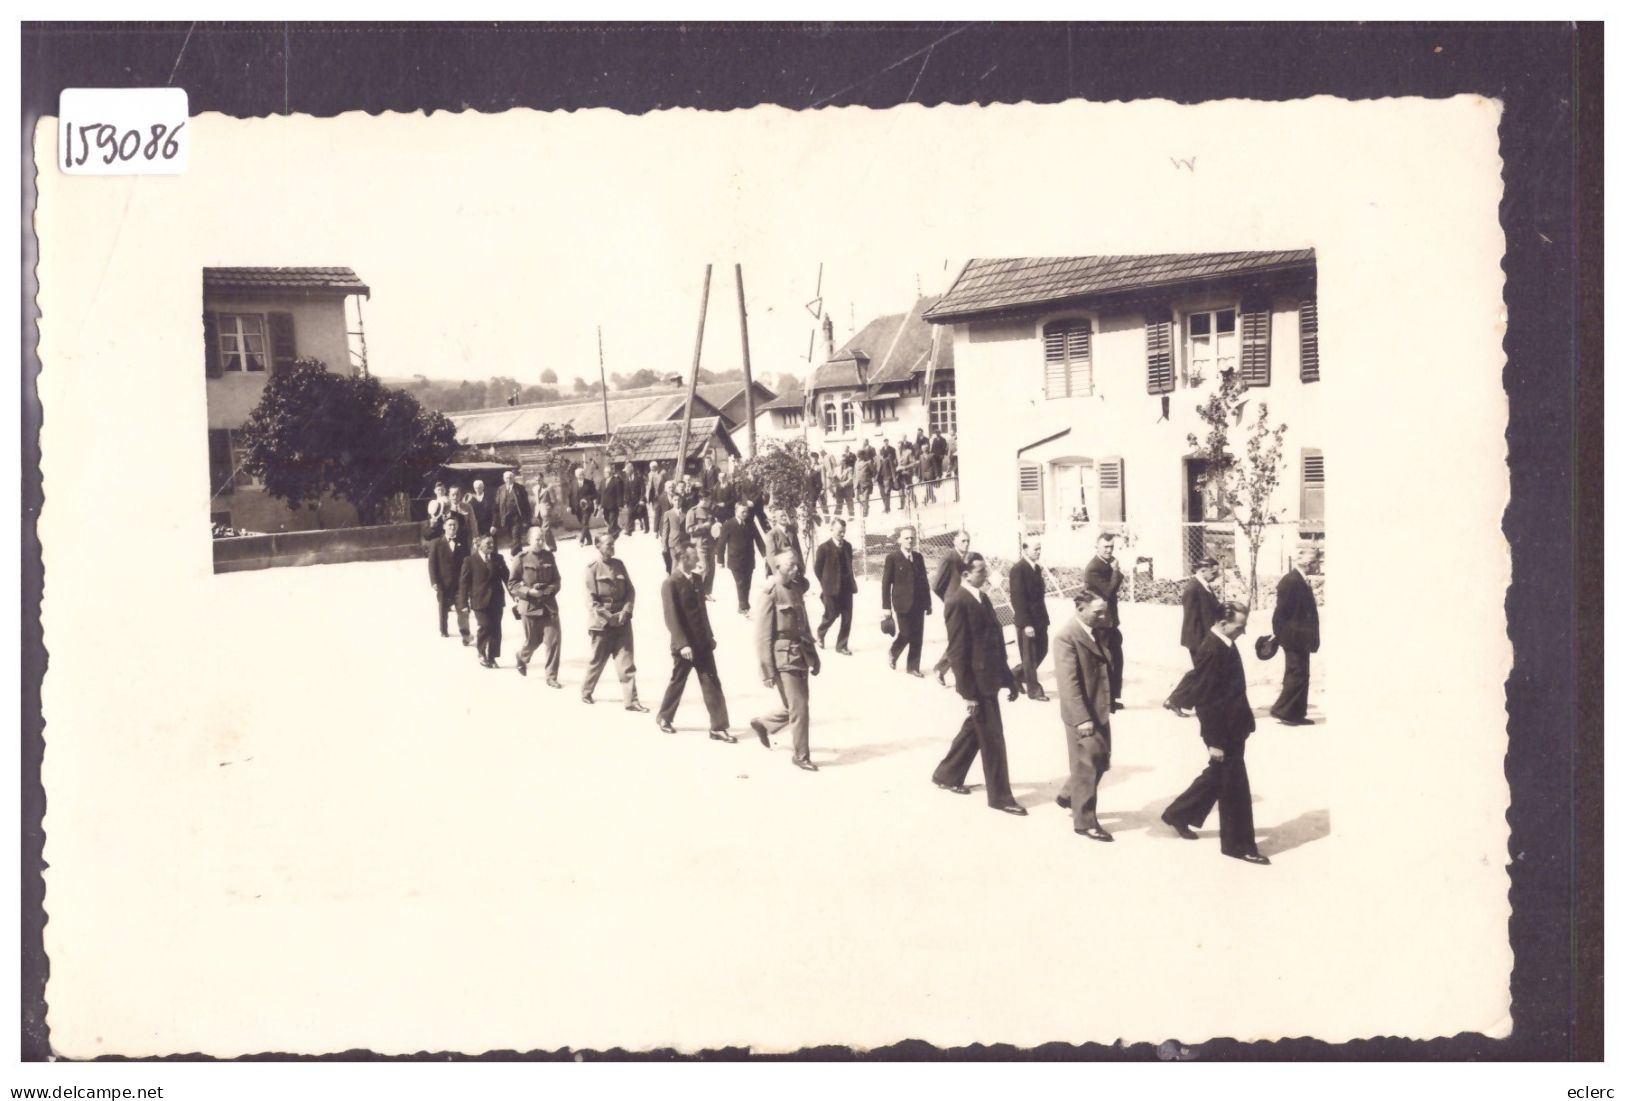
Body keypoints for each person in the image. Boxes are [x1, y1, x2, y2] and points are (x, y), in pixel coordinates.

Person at [1161, 602, 1270, 865]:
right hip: (1223, 732)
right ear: (1223, 623)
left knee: (1219, 775)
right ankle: (1237, 845)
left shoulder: (1222, 643)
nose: (1242, 632)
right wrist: (1215, 742)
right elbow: (1207, 701)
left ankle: (1179, 813)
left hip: (1234, 725)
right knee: (1235, 789)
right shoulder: (1212, 649)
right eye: (1239, 627)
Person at [931, 553, 1025, 815]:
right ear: (966, 574)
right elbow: (958, 653)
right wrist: (968, 694)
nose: (986, 574)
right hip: (978, 685)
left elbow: (994, 642)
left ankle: (947, 774)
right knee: (993, 739)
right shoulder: (957, 601)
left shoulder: (981, 597)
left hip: (990, 678)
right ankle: (1001, 797)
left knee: (976, 729)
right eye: (981, 571)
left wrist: (1009, 680)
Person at [748, 549, 822, 771]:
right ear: (777, 567)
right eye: (790, 565)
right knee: (799, 707)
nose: (795, 568)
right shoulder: (771, 593)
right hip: (782, 658)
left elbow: (804, 625)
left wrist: (814, 656)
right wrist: (767, 671)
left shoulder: (796, 588)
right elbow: (762, 635)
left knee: (795, 704)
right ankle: (801, 756)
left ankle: (763, 723)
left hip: (800, 653)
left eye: (796, 565)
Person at [1052, 593, 1116, 841]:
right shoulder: (1066, 637)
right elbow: (1069, 684)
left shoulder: (1096, 629)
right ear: (1080, 608)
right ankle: (1085, 821)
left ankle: (1069, 794)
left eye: (1105, 611)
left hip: (1098, 707)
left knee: (1100, 758)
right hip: (1082, 714)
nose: (1103, 616)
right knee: (1088, 766)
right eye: (1097, 612)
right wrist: (1082, 719)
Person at [656, 542, 734, 741]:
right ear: (683, 559)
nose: (699, 560)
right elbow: (671, 617)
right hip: (685, 646)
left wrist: (709, 636)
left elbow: (702, 611)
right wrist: (682, 644)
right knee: (678, 681)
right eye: (694, 557)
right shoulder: (670, 583)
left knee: (712, 683)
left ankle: (718, 727)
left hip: (702, 643)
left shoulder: (697, 579)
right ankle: (664, 717)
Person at [580, 532, 646, 711]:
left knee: (627, 663)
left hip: (622, 621)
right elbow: (591, 601)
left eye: (613, 545)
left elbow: (630, 591)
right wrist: (608, 618)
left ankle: (631, 701)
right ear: (598, 546)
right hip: (602, 624)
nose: (612, 548)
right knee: (597, 661)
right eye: (608, 545)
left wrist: (626, 610)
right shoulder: (592, 569)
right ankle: (586, 691)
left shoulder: (619, 565)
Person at [1269, 546, 1321, 726]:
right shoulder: (1291, 581)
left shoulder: (1299, 579)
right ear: (1309, 563)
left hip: (1301, 637)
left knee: (1300, 674)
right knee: (1296, 673)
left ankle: (1294, 713)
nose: (1318, 565)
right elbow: (1280, 612)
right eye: (1316, 562)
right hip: (1294, 637)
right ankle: (1285, 712)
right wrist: (1282, 636)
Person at [510, 524, 563, 686]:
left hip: (549, 606)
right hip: (530, 608)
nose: (540, 542)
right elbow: (512, 584)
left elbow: (557, 580)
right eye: (537, 539)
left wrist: (549, 590)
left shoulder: (549, 557)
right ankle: (522, 657)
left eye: (542, 539)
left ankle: (551, 677)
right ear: (529, 540)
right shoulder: (521, 558)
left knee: (554, 641)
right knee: (532, 641)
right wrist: (528, 592)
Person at [1082, 533, 1125, 709]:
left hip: (1110, 621)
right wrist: (1116, 571)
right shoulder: (1093, 567)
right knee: (1105, 660)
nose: (1109, 550)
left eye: (1111, 547)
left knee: (1116, 659)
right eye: (1105, 547)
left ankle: (1112, 698)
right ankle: (1104, 701)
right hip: (1100, 623)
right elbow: (1108, 592)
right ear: (1097, 547)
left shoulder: (1106, 564)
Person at [881, 526, 931, 676]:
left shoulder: (918, 557)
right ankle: (893, 652)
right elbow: (885, 583)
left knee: (918, 635)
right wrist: (886, 607)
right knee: (906, 632)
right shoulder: (892, 558)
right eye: (906, 538)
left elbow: (924, 582)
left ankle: (913, 667)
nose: (910, 540)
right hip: (901, 603)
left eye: (912, 538)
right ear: (899, 540)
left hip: (918, 603)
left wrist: (928, 603)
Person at [1008, 536, 1051, 702]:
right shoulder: (1018, 569)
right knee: (1030, 656)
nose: (1039, 552)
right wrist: (1026, 624)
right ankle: (1034, 691)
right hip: (1027, 622)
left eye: (1040, 548)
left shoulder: (1036, 568)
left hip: (1040, 619)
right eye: (1036, 549)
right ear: (1025, 550)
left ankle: (1015, 674)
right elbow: (1018, 598)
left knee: (1043, 650)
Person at [458, 534, 510, 668]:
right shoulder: (469, 561)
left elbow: (508, 579)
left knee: (496, 629)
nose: (492, 546)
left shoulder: (498, 559)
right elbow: (463, 584)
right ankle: (481, 653)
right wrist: (463, 603)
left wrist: (516, 595)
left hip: (497, 601)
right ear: (479, 544)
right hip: (479, 601)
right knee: (485, 626)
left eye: (493, 543)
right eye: (488, 544)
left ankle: (492, 657)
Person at [931, 530, 972, 685]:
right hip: (954, 607)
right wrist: (949, 600)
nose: (966, 544)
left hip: (967, 604)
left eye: (968, 541)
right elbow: (936, 586)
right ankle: (941, 668)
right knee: (958, 639)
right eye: (963, 541)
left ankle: (945, 668)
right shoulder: (949, 558)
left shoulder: (967, 558)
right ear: (954, 542)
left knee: (965, 637)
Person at [812, 518, 857, 654]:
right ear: (831, 530)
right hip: (831, 589)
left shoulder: (848, 546)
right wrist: (826, 583)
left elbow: (849, 565)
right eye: (839, 532)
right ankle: (820, 633)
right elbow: (817, 569)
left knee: (847, 617)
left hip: (847, 588)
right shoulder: (824, 548)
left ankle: (842, 646)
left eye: (844, 532)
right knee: (831, 615)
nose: (842, 534)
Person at [427, 513, 471, 645]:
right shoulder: (437, 543)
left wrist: (469, 581)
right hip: (443, 584)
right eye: (450, 525)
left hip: (459, 584)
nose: (452, 527)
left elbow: (468, 563)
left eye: (454, 525)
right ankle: (443, 629)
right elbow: (432, 564)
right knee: (443, 609)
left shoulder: (463, 543)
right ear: (444, 527)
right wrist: (434, 582)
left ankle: (465, 634)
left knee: (463, 609)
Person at [716, 500, 765, 615]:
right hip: (735, 561)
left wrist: (765, 554)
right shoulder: (728, 525)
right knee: (740, 582)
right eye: (743, 512)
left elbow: (758, 539)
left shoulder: (750, 523)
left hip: (749, 559)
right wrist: (720, 561)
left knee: (747, 583)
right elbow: (721, 544)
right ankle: (744, 607)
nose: (745, 514)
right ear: (736, 511)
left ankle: (743, 605)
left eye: (746, 512)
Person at [1180, 555, 1223, 665]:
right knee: (1203, 676)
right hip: (1199, 642)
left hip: (1206, 640)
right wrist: (1203, 645)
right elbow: (1192, 621)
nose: (1216, 576)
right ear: (1203, 570)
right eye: (1214, 573)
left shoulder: (1204, 585)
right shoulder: (1193, 589)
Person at [684, 491, 720, 601]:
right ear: (702, 499)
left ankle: (706, 593)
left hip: (710, 543)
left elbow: (713, 525)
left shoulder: (710, 511)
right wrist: (703, 526)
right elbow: (689, 530)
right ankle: (694, 590)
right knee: (703, 568)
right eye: (708, 500)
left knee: (711, 570)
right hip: (699, 544)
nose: (710, 502)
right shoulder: (692, 511)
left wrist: (717, 525)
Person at [494, 469, 531, 558]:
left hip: (517, 516)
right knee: (511, 536)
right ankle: (519, 553)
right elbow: (497, 503)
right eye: (507, 478)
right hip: (506, 517)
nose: (509, 479)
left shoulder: (520, 488)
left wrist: (528, 516)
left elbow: (526, 503)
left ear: (514, 478)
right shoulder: (501, 489)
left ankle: (514, 554)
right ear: (504, 479)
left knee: (516, 534)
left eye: (511, 477)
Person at [764, 505, 803, 576]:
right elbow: (771, 557)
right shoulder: (771, 535)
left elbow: (798, 549)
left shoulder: (791, 530)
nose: (784, 518)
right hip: (782, 572)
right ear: (775, 518)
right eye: (781, 516)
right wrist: (778, 574)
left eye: (785, 515)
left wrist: (802, 566)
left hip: (795, 570)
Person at [659, 483, 687, 576]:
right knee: (675, 561)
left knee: (683, 562)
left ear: (682, 501)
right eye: (675, 500)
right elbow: (665, 530)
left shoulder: (686, 514)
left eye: (679, 500)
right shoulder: (668, 513)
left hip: (684, 541)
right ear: (673, 502)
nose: (677, 502)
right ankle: (673, 580)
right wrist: (664, 544)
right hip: (673, 541)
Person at [600, 464, 625, 539]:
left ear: (610, 473)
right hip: (605, 505)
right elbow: (599, 492)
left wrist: (620, 505)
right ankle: (617, 529)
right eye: (604, 472)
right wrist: (598, 502)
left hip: (613, 505)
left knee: (612, 520)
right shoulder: (603, 481)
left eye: (605, 472)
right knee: (607, 519)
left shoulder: (616, 480)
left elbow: (619, 493)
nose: (604, 474)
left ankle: (611, 536)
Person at [575, 466, 599, 546]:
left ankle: (581, 540)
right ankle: (589, 541)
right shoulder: (573, 484)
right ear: (576, 476)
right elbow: (570, 495)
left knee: (585, 523)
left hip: (587, 507)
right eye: (579, 474)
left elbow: (595, 494)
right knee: (583, 524)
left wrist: (586, 498)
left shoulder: (589, 483)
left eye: (582, 474)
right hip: (578, 508)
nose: (581, 476)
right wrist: (569, 506)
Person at [876, 441, 897, 514]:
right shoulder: (878, 459)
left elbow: (892, 468)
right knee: (882, 493)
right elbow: (876, 468)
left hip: (887, 477)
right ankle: (886, 506)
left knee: (887, 493)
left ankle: (886, 508)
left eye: (881, 454)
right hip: (880, 479)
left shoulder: (888, 459)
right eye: (880, 454)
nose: (880, 455)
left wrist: (894, 478)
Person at [853, 451, 874, 519]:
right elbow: (855, 473)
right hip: (858, 483)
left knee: (865, 499)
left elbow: (873, 471)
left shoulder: (868, 462)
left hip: (866, 483)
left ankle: (865, 513)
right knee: (857, 498)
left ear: (863, 456)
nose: (858, 457)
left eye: (859, 456)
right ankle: (866, 506)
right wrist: (854, 482)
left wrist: (868, 477)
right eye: (857, 456)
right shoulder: (856, 463)